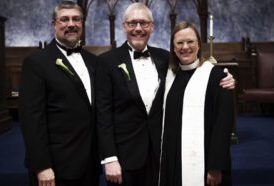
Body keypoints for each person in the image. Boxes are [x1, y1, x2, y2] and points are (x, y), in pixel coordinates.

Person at [96, 3, 234, 186]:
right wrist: (110, 158)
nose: (138, 28)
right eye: (132, 23)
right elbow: (103, 114)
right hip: (125, 158)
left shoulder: (165, 59)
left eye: (144, 23)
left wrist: (228, 79)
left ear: (152, 27)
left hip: (161, 156)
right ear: (124, 26)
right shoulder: (106, 62)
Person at [19, 1, 99, 186]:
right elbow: (31, 119)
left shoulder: (93, 61)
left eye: (76, 19)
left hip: (89, 162)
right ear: (54, 24)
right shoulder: (36, 63)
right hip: (55, 165)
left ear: (82, 23)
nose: (71, 24)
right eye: (65, 19)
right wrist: (42, 166)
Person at [159, 21, 233, 186]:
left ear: (199, 44)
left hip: (205, 163)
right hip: (172, 162)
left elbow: (223, 126)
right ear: (173, 47)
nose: (185, 47)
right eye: (179, 43)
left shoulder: (217, 78)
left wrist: (216, 166)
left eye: (190, 41)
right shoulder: (169, 76)